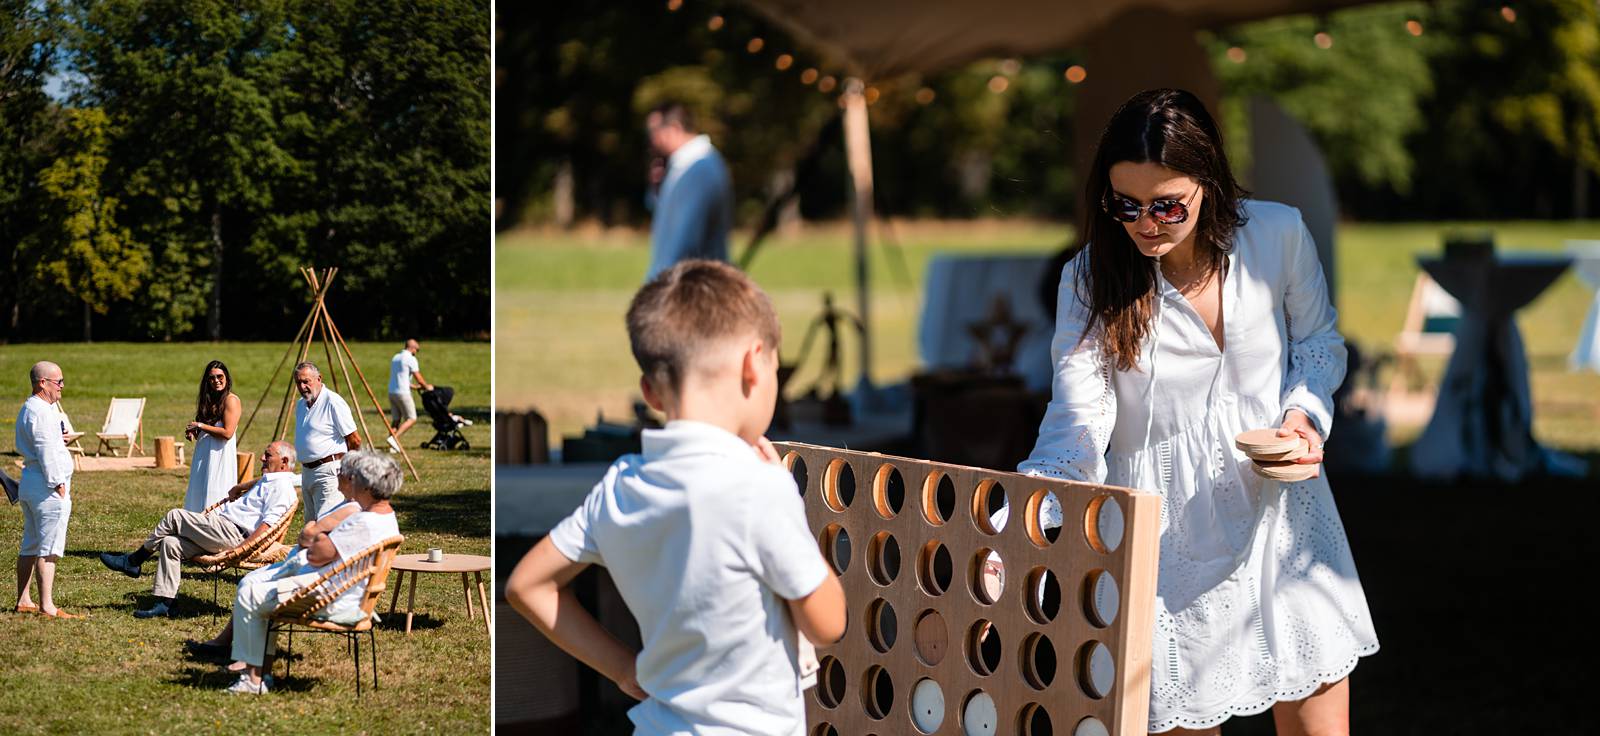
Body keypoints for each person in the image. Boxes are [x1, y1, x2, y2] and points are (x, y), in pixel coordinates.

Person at [1017, 89, 1377, 735]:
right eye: (1123, 203)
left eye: (1166, 206)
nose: (1144, 223)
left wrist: (1301, 416)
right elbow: (1076, 431)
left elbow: (1319, 342)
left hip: (1283, 506)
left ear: (1207, 184)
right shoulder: (1089, 280)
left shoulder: (1278, 234)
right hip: (1166, 534)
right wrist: (1019, 518)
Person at [507, 259, 845, 735]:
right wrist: (789, 502)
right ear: (754, 364)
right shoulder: (760, 489)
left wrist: (625, 669)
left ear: (651, 392)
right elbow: (828, 623)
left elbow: (527, 586)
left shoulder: (620, 487)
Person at [218, 449, 401, 694]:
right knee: (253, 586)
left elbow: (316, 555)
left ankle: (252, 679)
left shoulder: (363, 522)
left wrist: (318, 536)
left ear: (368, 487)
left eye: (355, 478)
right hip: (345, 591)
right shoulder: (386, 517)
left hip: (330, 596)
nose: (351, 482)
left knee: (251, 593)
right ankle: (262, 673)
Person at [99, 441, 298, 619]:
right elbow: (261, 481)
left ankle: (133, 561)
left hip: (233, 535)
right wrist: (240, 486)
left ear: (284, 461)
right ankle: (166, 603)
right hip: (219, 529)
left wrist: (241, 550)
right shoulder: (271, 479)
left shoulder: (282, 489)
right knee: (170, 543)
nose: (262, 458)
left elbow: (267, 526)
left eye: (268, 455)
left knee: (175, 516)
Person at [13, 361, 81, 619]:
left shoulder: (31, 408)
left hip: (31, 481)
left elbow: (43, 442)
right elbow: (44, 449)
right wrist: (58, 483)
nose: (62, 387)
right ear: (42, 383)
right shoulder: (41, 411)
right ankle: (47, 605)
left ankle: (23, 599)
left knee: (30, 543)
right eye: (58, 382)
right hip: (46, 485)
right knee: (48, 547)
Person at [643, 102, 734, 280]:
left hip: (693, 290)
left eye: (655, 132)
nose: (652, 141)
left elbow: (684, 240)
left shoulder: (701, 169)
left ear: (675, 127)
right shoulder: (683, 165)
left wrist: (658, 286)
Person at [292, 362, 362, 521]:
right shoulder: (300, 404)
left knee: (326, 523)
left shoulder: (333, 402)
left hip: (329, 472)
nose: (302, 387)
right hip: (307, 472)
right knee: (310, 523)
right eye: (298, 383)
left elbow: (354, 440)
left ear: (318, 378)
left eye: (306, 381)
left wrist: (349, 472)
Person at [182, 360, 242, 512]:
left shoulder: (231, 400)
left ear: (227, 377)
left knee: (216, 491)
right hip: (204, 455)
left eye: (220, 376)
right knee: (199, 491)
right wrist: (196, 431)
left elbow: (227, 433)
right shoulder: (209, 400)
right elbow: (211, 426)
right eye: (212, 378)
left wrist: (200, 425)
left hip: (220, 456)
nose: (216, 381)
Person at [386, 339, 432, 451]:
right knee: (412, 418)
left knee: (396, 419)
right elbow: (418, 377)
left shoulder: (395, 357)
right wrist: (427, 387)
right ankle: (394, 439)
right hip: (403, 393)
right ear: (412, 348)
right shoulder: (411, 358)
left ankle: (392, 446)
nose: (417, 352)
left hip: (392, 392)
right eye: (417, 349)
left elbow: (400, 377)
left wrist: (415, 387)